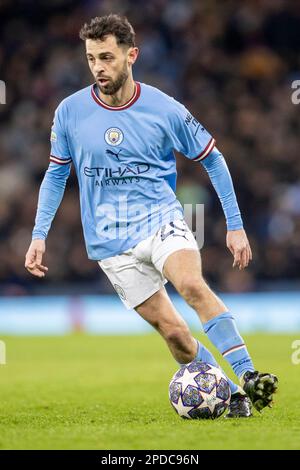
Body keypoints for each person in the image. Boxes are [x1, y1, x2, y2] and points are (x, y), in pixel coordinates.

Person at [25, 14, 278, 418]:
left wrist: (235, 225)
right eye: (91, 59)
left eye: (107, 57)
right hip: (110, 242)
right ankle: (232, 396)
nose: (98, 68)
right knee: (176, 335)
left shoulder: (164, 108)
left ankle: (249, 374)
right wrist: (39, 234)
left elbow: (212, 158)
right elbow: (56, 173)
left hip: (161, 220)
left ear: (132, 55)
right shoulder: (69, 112)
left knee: (193, 285)